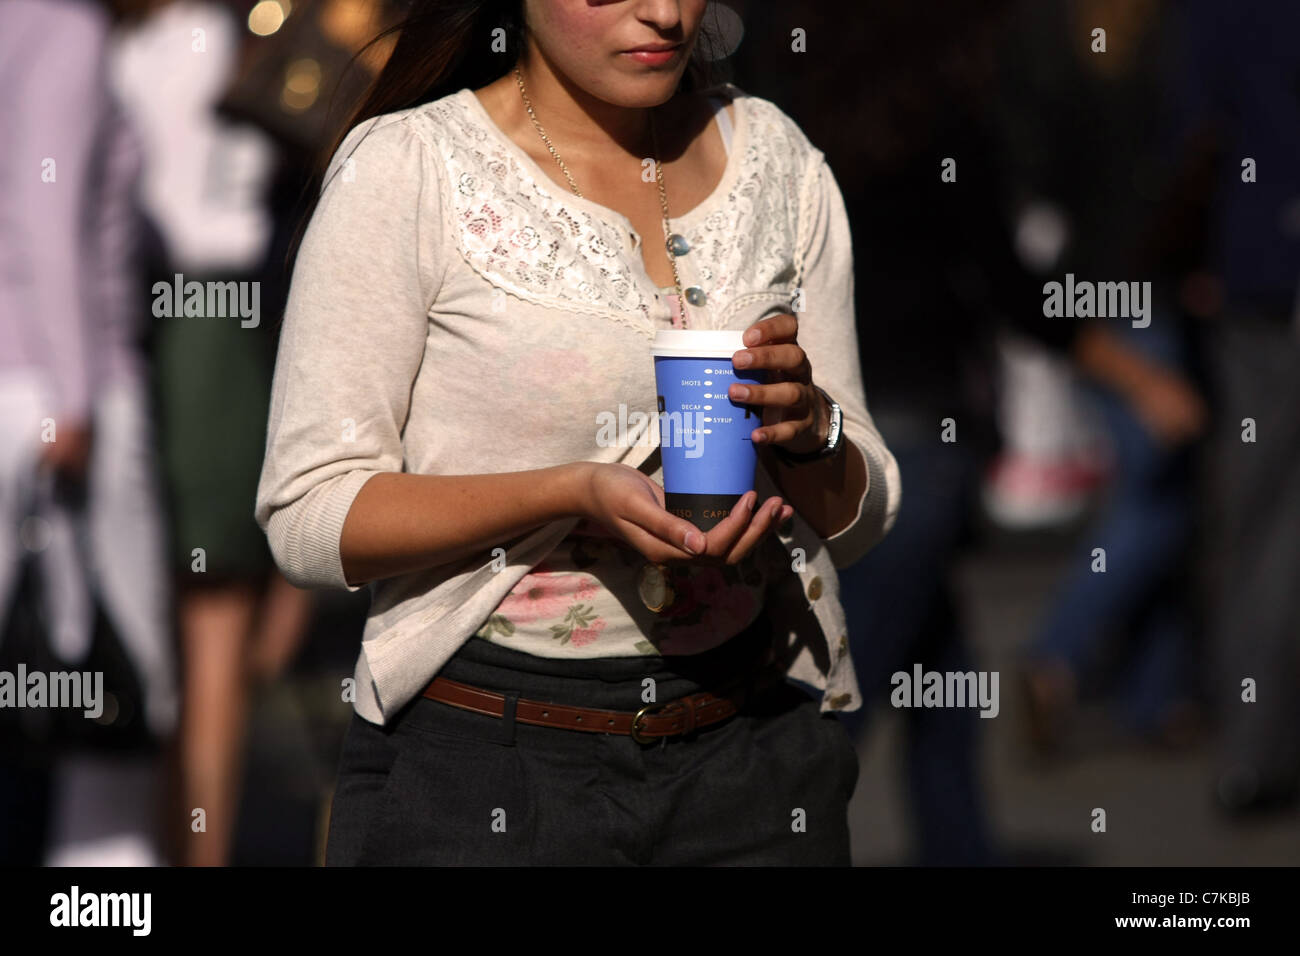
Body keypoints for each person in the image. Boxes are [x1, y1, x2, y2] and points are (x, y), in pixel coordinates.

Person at [255, 0, 899, 865]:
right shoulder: (412, 169)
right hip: (489, 770)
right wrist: (568, 491)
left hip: (753, 759)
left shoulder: (775, 157)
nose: (665, 13)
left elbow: (862, 523)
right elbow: (310, 517)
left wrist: (809, 428)